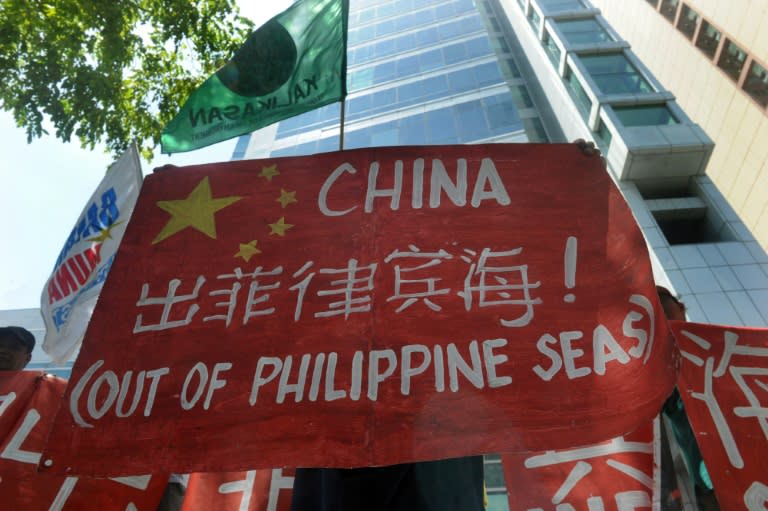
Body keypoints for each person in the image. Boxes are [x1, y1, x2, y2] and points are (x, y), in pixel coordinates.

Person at [656, 286, 720, 511]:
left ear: (681, 308)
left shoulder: (722, 348)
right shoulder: (664, 369)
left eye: (665, 309)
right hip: (712, 481)